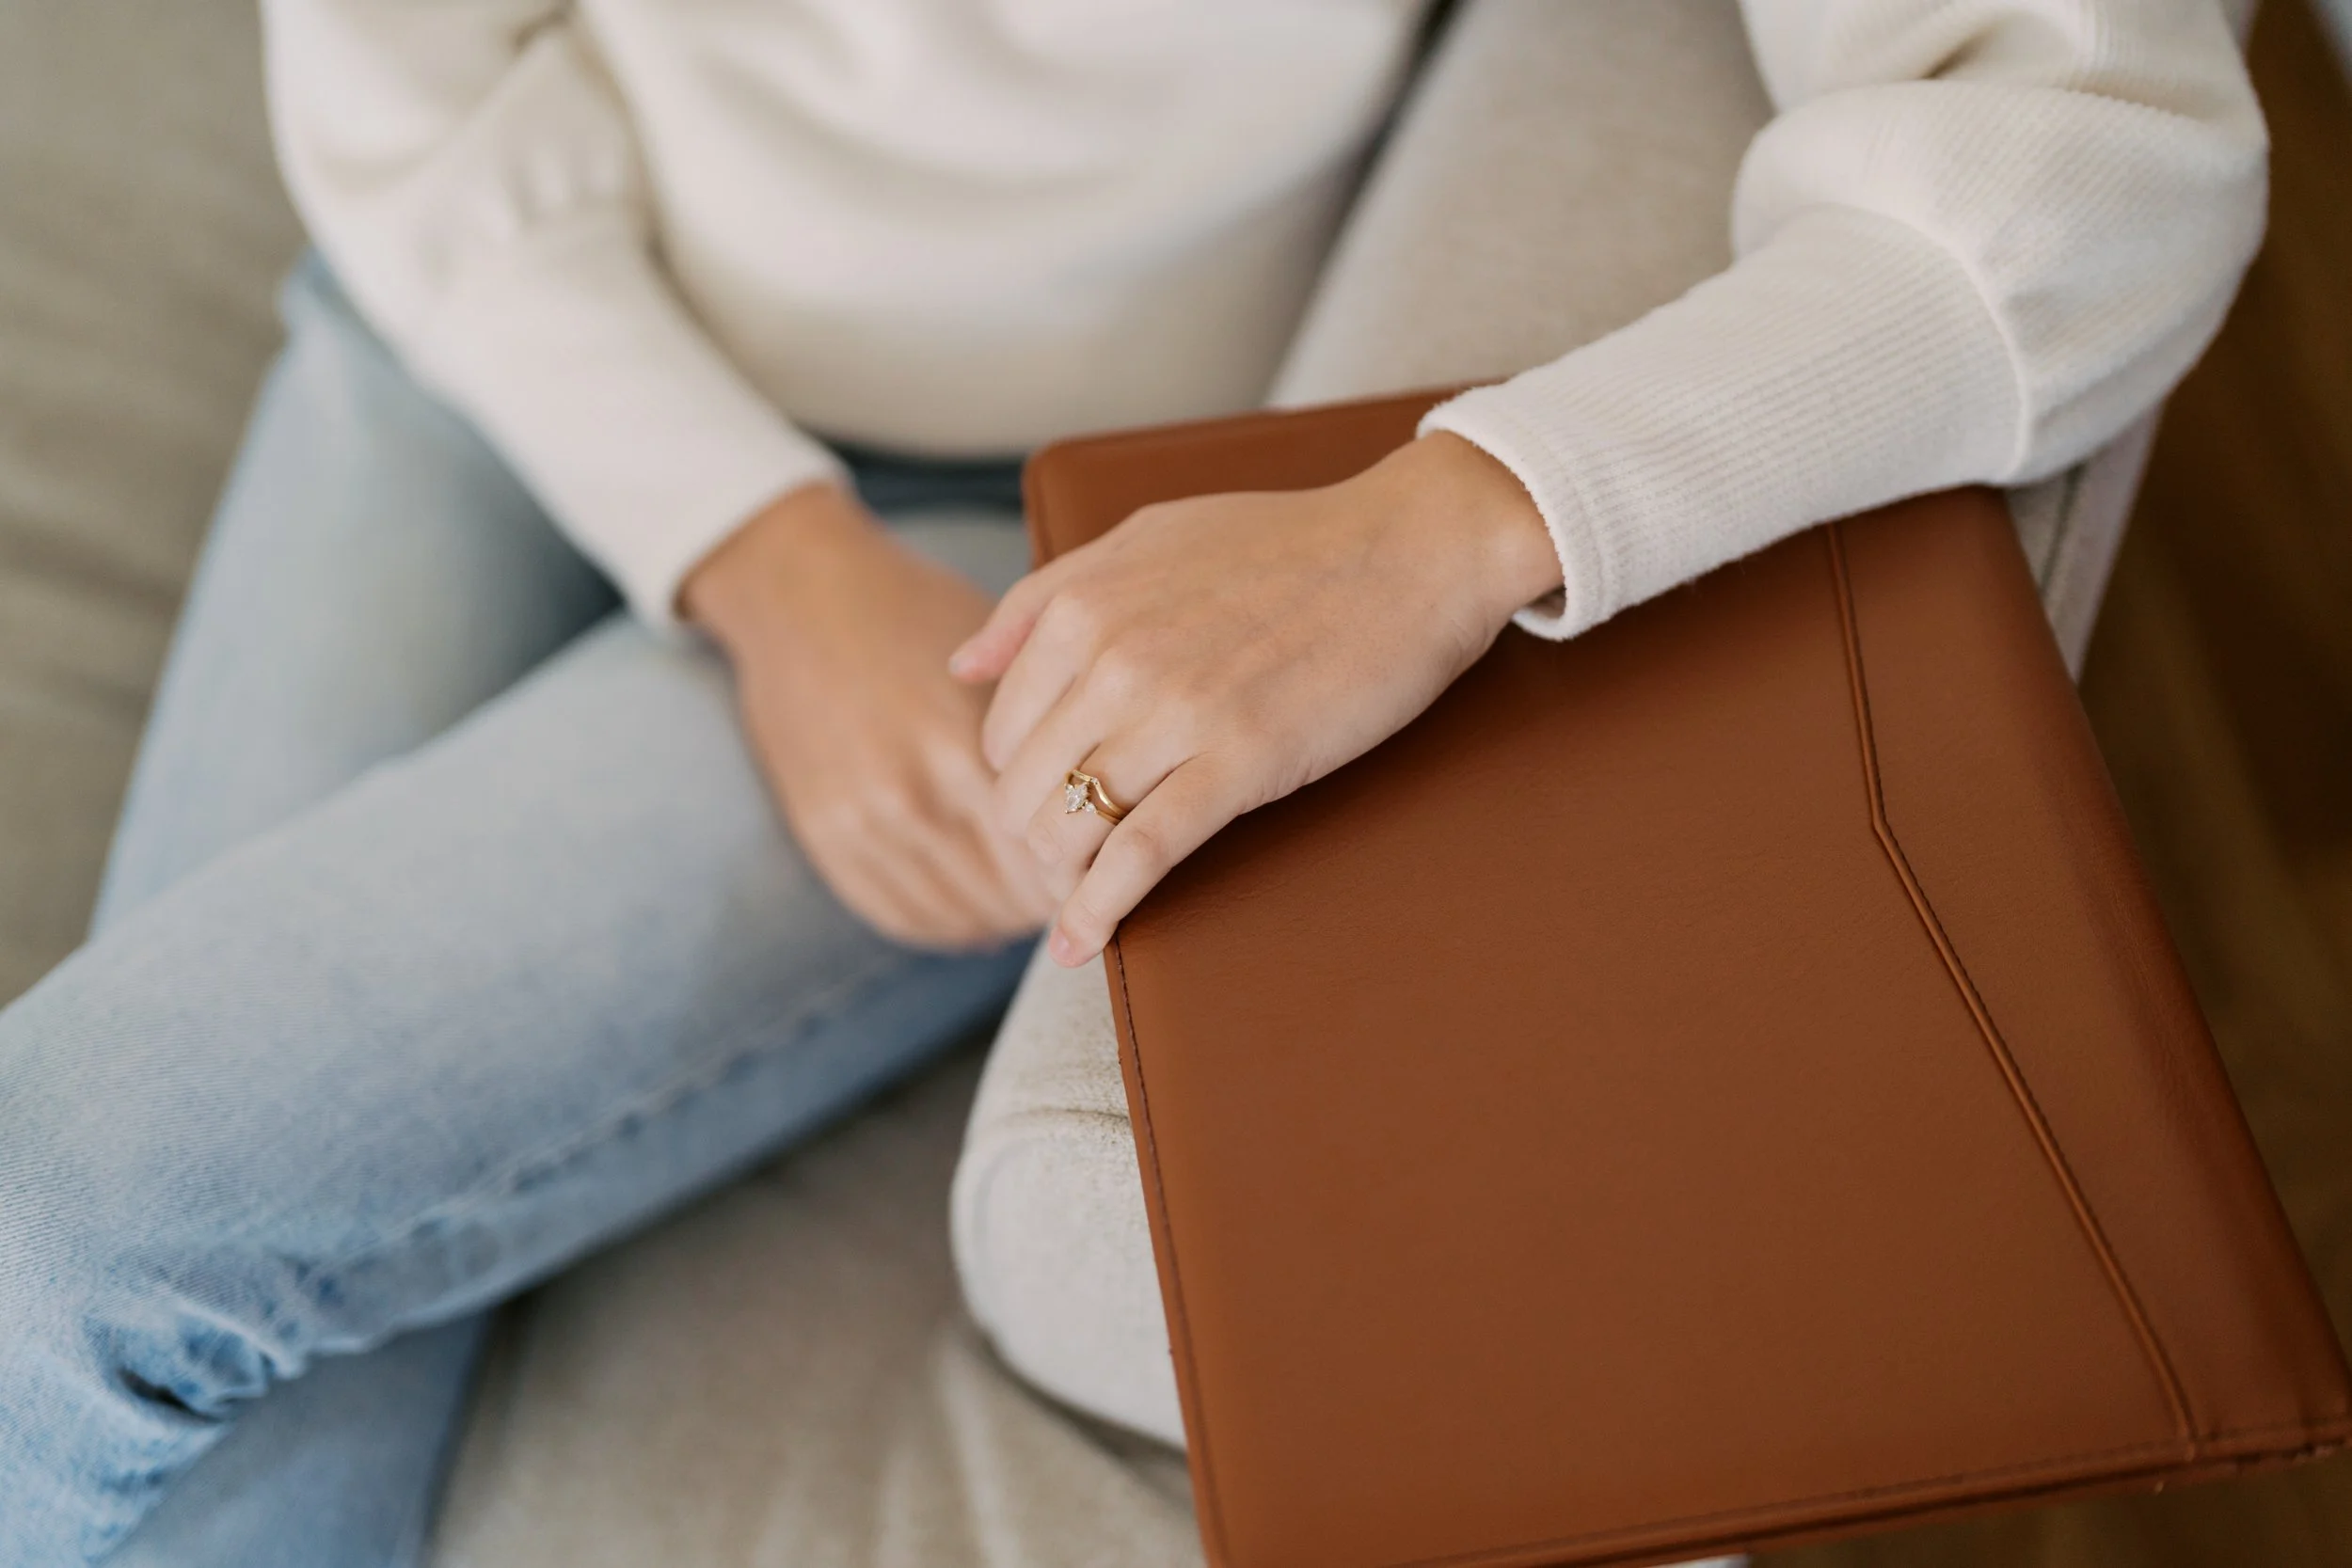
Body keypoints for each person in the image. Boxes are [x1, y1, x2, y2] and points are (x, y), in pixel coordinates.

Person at [0, 1, 2265, 1564]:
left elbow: (2093, 166)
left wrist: (1454, 518)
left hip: (1016, 517)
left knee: (73, 1216)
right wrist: (759, 562)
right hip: (471, 314)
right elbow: (389, 58)